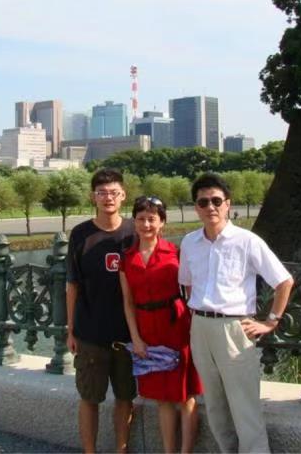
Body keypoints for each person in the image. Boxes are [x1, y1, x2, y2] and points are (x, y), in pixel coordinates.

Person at [178, 173, 294, 453]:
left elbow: (284, 281)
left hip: (234, 329)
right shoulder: (189, 242)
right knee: (215, 406)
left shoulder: (247, 241)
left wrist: (271, 322)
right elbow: (187, 283)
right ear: (196, 207)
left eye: (216, 201)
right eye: (203, 202)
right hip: (200, 327)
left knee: (245, 408)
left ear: (228, 204)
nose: (210, 207)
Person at [120, 196, 202, 454]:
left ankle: (185, 452)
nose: (146, 225)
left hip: (176, 326)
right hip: (146, 330)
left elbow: (192, 290)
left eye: (152, 219)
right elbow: (127, 303)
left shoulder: (176, 253)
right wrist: (136, 339)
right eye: (141, 219)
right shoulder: (127, 258)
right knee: (162, 399)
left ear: (162, 222)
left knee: (185, 395)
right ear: (134, 222)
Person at [66, 168, 136, 453]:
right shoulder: (81, 234)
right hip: (90, 334)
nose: (108, 198)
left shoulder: (134, 231)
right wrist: (71, 330)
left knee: (125, 398)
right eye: (102, 193)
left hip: (128, 335)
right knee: (89, 398)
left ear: (123, 196)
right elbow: (72, 285)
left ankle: (121, 449)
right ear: (93, 197)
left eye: (114, 193)